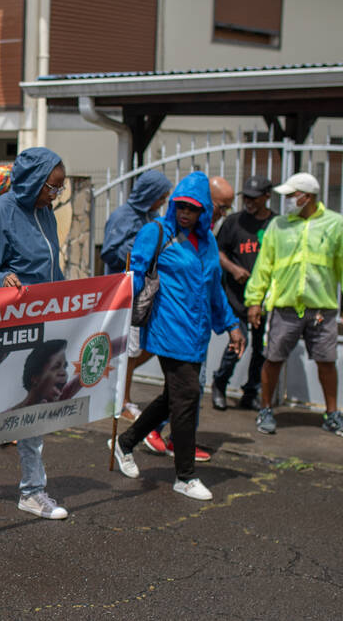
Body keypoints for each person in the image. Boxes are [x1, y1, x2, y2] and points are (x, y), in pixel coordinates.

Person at [111, 171, 244, 500]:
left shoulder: (209, 241)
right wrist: (116, 306)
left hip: (196, 333)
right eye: (180, 206)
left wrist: (231, 325)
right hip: (168, 328)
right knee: (186, 398)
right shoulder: (156, 231)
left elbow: (214, 290)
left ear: (204, 211)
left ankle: (125, 443)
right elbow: (137, 275)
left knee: (174, 397)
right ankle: (184, 476)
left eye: (193, 208)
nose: (185, 213)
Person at [0, 148, 69, 520]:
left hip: (42, 319)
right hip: (11, 321)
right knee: (16, 399)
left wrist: (69, 298)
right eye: (51, 188)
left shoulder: (46, 213)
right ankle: (28, 489)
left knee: (28, 402)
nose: (55, 196)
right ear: (34, 181)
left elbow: (50, 265)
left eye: (59, 189)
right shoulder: (0, 211)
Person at [245, 172, 343, 437]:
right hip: (285, 308)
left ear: (306, 197)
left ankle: (332, 414)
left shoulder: (337, 225)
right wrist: (254, 300)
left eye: (290, 195)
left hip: (322, 309)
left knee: (326, 361)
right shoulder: (278, 226)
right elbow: (264, 266)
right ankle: (265, 409)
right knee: (272, 359)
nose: (286, 200)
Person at [100, 170, 173, 423]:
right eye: (160, 196)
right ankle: (123, 401)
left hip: (148, 293)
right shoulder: (123, 216)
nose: (162, 202)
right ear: (149, 194)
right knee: (129, 349)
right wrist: (141, 252)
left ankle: (119, 383)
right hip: (127, 291)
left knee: (143, 347)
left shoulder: (153, 217)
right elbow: (110, 252)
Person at [211, 176, 273, 411]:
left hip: (266, 299)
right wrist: (234, 268)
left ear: (267, 197)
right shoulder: (234, 222)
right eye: (246, 197)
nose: (249, 202)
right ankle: (220, 383)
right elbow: (217, 251)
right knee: (239, 343)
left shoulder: (274, 224)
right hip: (237, 298)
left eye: (254, 198)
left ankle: (250, 392)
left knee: (262, 349)